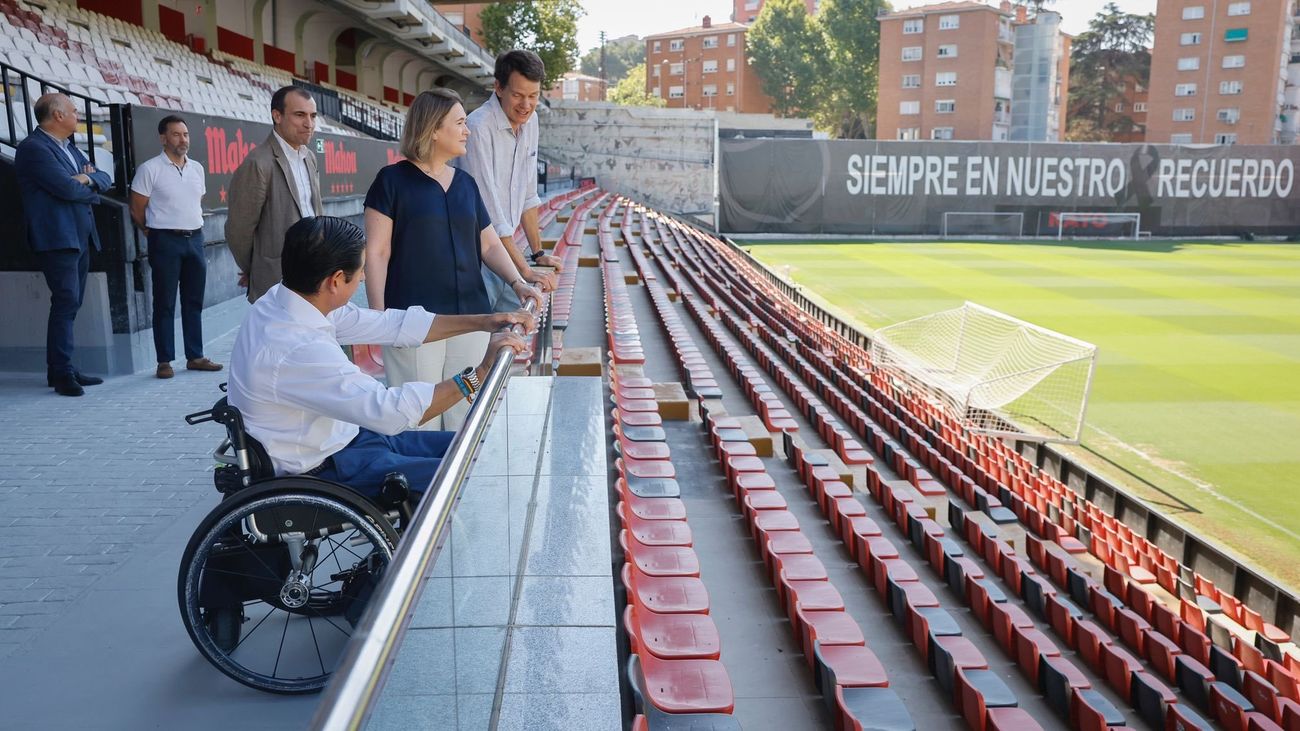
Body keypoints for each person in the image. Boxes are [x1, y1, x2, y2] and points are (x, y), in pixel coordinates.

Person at [227, 216, 533, 500]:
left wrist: (485, 321)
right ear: (335, 280)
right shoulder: (298, 348)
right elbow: (391, 412)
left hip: (348, 439)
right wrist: (478, 374)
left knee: (480, 446)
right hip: (326, 465)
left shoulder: (281, 300)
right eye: (360, 271)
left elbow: (391, 325)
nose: (363, 278)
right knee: (476, 473)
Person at [364, 88, 545, 431]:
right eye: (460, 123)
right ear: (433, 129)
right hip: (415, 320)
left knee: (465, 416)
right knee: (418, 419)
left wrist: (518, 282)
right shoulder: (391, 181)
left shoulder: (465, 184)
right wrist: (378, 318)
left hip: (471, 318)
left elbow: (489, 245)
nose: (467, 131)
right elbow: (377, 252)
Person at [15, 93, 111, 397]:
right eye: (73, 111)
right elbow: (66, 189)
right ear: (57, 115)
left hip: (79, 236)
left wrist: (85, 179)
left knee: (70, 304)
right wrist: (84, 181)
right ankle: (62, 373)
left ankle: (60, 367)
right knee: (66, 302)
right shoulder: (33, 148)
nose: (77, 115)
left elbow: (105, 178)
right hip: (57, 238)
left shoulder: (70, 147)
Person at [461, 49, 562, 313]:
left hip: (508, 251)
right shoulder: (478, 128)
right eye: (518, 95)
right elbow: (489, 214)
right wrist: (524, 270)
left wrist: (538, 254)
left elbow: (528, 195)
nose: (526, 105)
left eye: (533, 96)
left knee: (515, 326)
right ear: (498, 87)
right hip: (475, 257)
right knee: (480, 332)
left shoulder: (531, 121)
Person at [129, 114, 223, 379]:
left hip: (195, 239)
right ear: (163, 138)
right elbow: (137, 208)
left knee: (193, 300)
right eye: (176, 134)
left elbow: (194, 201)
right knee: (165, 302)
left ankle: (195, 356)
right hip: (164, 241)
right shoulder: (150, 169)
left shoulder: (197, 168)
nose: (183, 139)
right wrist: (151, 231)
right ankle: (164, 361)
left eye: (185, 134)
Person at [226, 86, 323, 303]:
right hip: (277, 281)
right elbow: (239, 230)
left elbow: (315, 211)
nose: (309, 124)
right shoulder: (258, 162)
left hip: (314, 272)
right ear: (277, 116)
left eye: (313, 116)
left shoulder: (309, 158)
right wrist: (255, 268)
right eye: (300, 115)